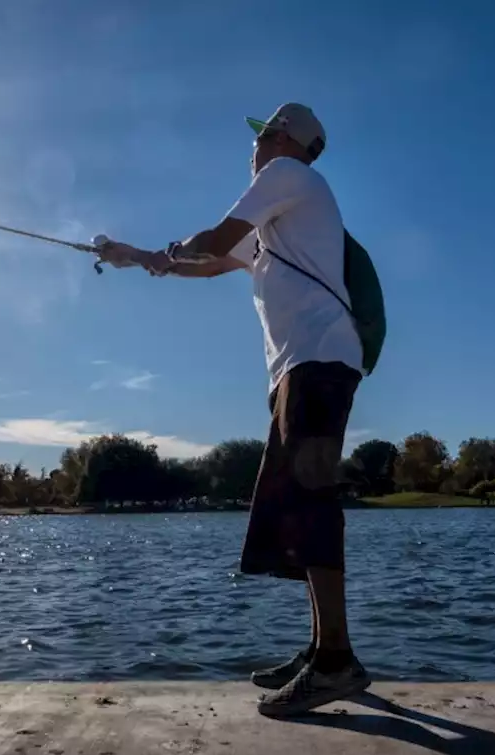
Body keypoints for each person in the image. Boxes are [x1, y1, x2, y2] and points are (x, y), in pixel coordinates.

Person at [97, 103, 372, 716]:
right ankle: (323, 650)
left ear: (281, 139)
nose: (252, 147)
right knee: (297, 502)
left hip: (318, 361)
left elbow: (213, 240)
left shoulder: (284, 178)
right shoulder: (280, 215)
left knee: (310, 497)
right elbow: (214, 262)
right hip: (302, 367)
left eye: (262, 135)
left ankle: (336, 662)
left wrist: (172, 249)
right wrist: (137, 255)